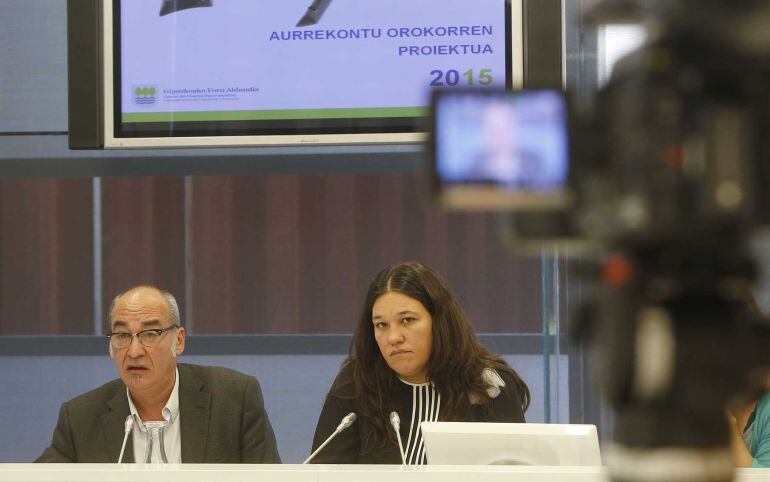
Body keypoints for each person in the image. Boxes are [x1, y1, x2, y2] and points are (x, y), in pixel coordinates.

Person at [310, 262, 530, 464]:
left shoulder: (486, 386)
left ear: (440, 322)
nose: (394, 337)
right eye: (382, 325)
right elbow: (323, 471)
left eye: (408, 320)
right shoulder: (357, 383)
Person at [36, 285, 280, 463]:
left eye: (150, 334)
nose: (133, 351)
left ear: (179, 340)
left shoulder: (234, 399)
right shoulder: (80, 417)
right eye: (122, 336)